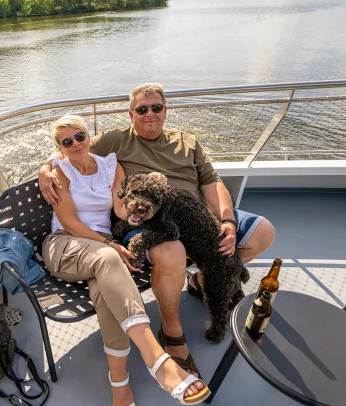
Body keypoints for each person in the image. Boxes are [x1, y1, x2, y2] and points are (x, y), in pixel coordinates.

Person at [39, 83, 276, 381]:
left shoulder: (187, 141)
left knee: (263, 232)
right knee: (171, 249)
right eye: (141, 109)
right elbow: (70, 152)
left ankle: (202, 279)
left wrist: (227, 220)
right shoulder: (115, 140)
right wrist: (44, 170)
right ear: (131, 114)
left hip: (197, 214)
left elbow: (211, 182)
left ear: (166, 110)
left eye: (156, 107)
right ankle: (171, 330)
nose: (149, 114)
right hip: (150, 218)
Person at [41, 115, 210, 406]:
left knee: (106, 293)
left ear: (88, 135)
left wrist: (150, 182)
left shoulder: (110, 166)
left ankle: (120, 387)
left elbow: (122, 211)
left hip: (100, 255)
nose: (76, 144)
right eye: (66, 141)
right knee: (109, 257)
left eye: (79, 136)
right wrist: (109, 243)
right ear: (59, 148)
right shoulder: (59, 171)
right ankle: (157, 359)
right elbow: (69, 223)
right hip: (65, 245)